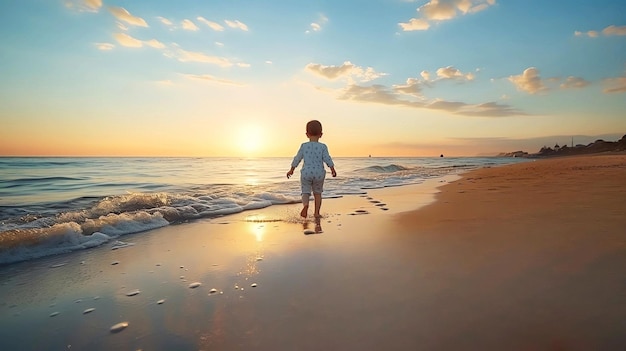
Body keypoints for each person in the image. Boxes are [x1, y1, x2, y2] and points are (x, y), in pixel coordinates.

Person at [286, 120, 337, 218]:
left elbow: (297, 158)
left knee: (305, 192)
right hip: (319, 173)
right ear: (321, 134)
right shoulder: (323, 146)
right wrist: (332, 169)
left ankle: (305, 206)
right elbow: (327, 158)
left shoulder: (304, 146)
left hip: (306, 172)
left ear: (307, 134)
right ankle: (316, 213)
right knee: (317, 193)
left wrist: (291, 169)